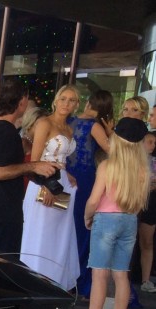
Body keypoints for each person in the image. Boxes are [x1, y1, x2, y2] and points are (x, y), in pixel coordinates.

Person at [67, 118, 150, 309]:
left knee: (99, 274)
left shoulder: (107, 166)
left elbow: (94, 200)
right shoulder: (143, 168)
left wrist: (87, 217)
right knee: (121, 274)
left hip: (105, 220)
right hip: (129, 220)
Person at [0, 79, 59, 253]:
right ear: (21, 102)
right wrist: (32, 167)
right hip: (0, 214)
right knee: (2, 269)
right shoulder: (6, 132)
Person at [19, 85, 81, 290]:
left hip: (62, 182)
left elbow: (60, 159)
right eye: (63, 98)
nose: (66, 103)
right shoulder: (44, 123)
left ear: (76, 104)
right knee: (40, 233)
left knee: (59, 234)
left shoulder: (69, 128)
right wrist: (45, 186)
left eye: (71, 100)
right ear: (56, 100)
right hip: (43, 183)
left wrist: (67, 174)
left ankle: (54, 283)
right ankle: (34, 283)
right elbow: (35, 160)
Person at [68, 90, 113, 297]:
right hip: (86, 178)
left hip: (68, 175)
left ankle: (67, 276)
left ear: (88, 103)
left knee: (69, 227)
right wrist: (111, 133)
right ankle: (79, 278)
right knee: (83, 228)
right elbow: (112, 151)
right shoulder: (95, 125)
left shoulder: (71, 121)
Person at [137, 131, 156, 292]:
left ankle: (145, 279)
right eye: (149, 142)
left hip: (150, 203)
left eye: (154, 143)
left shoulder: (154, 162)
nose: (152, 145)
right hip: (133, 204)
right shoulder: (132, 161)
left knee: (147, 241)